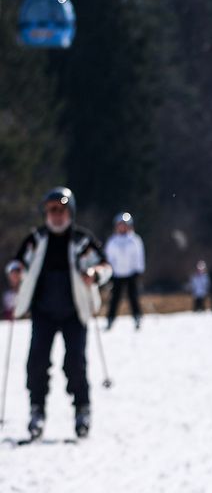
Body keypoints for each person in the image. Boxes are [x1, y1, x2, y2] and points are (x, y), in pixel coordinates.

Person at [6, 188, 111, 441]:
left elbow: (105, 266)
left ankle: (82, 410)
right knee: (37, 362)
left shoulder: (81, 241)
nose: (55, 215)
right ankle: (37, 410)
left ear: (70, 212)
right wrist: (15, 271)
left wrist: (94, 274)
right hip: (43, 310)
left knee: (75, 363)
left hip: (75, 311)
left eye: (60, 210)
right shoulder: (36, 239)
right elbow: (16, 262)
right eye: (51, 210)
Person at [103, 211, 145, 330]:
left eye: (124, 224)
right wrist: (109, 272)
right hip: (117, 274)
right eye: (120, 224)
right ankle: (110, 320)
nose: (122, 227)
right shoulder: (112, 241)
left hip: (131, 273)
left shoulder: (135, 240)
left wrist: (138, 270)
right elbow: (108, 257)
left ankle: (137, 318)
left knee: (133, 297)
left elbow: (139, 256)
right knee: (115, 298)